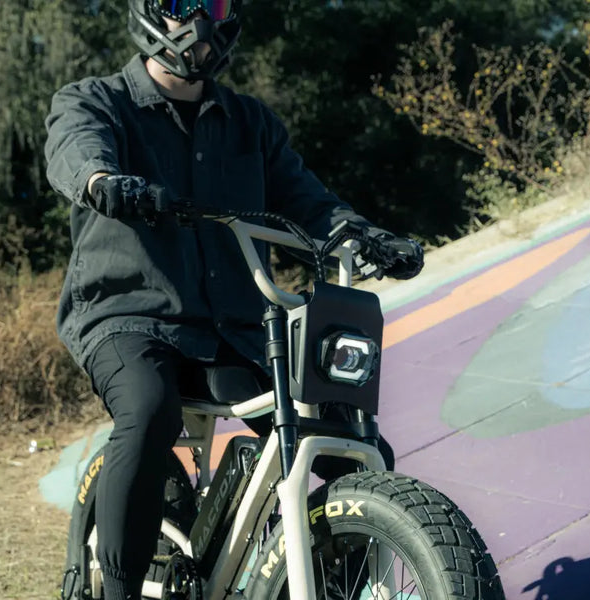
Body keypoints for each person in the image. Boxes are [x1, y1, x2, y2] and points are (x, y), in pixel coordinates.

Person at [44, 1, 424, 598]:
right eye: (182, 5)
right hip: (129, 318)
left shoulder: (251, 123)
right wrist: (102, 182)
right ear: (151, 11)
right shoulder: (96, 100)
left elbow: (310, 203)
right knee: (149, 411)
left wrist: (367, 236)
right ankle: (116, 590)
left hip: (236, 331)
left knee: (354, 441)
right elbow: (76, 151)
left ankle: (338, 579)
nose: (201, 21)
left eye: (216, 4)